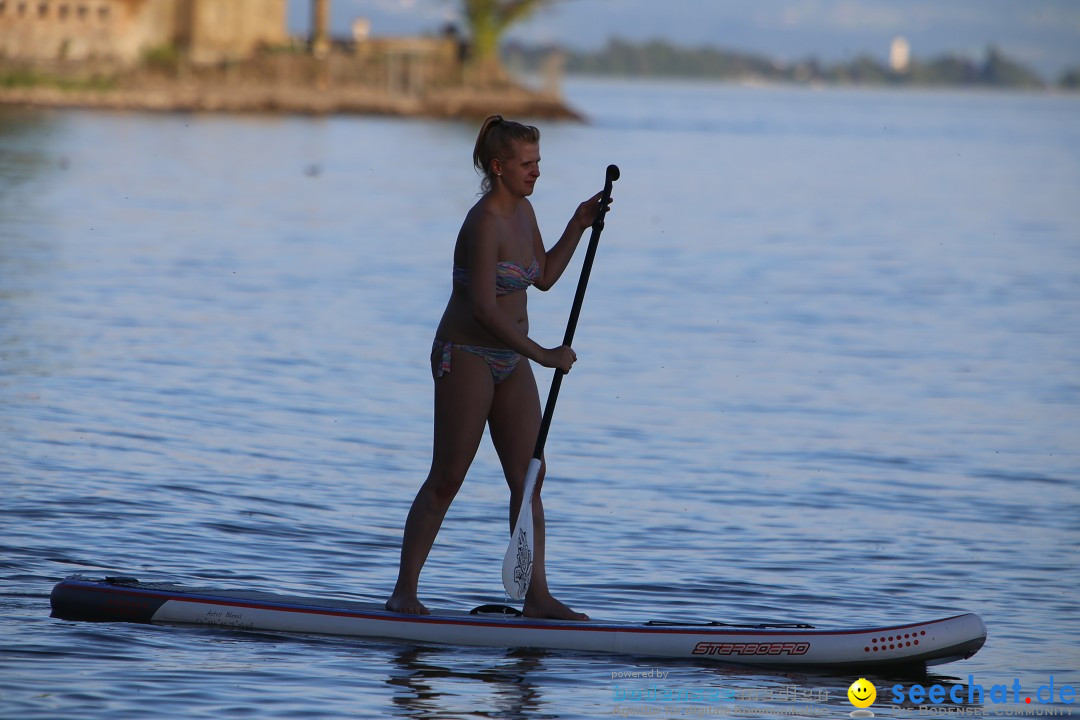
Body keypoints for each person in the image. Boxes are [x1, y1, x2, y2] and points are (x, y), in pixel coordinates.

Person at [385, 115, 610, 621]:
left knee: (529, 477)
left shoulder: (526, 212)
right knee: (447, 477)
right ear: (498, 166)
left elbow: (545, 277)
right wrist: (546, 355)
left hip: (511, 359)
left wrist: (578, 223)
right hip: (464, 356)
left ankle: (537, 596)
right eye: (527, 164)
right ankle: (404, 592)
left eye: (538, 163)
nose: (536, 173)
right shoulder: (484, 221)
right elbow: (484, 310)